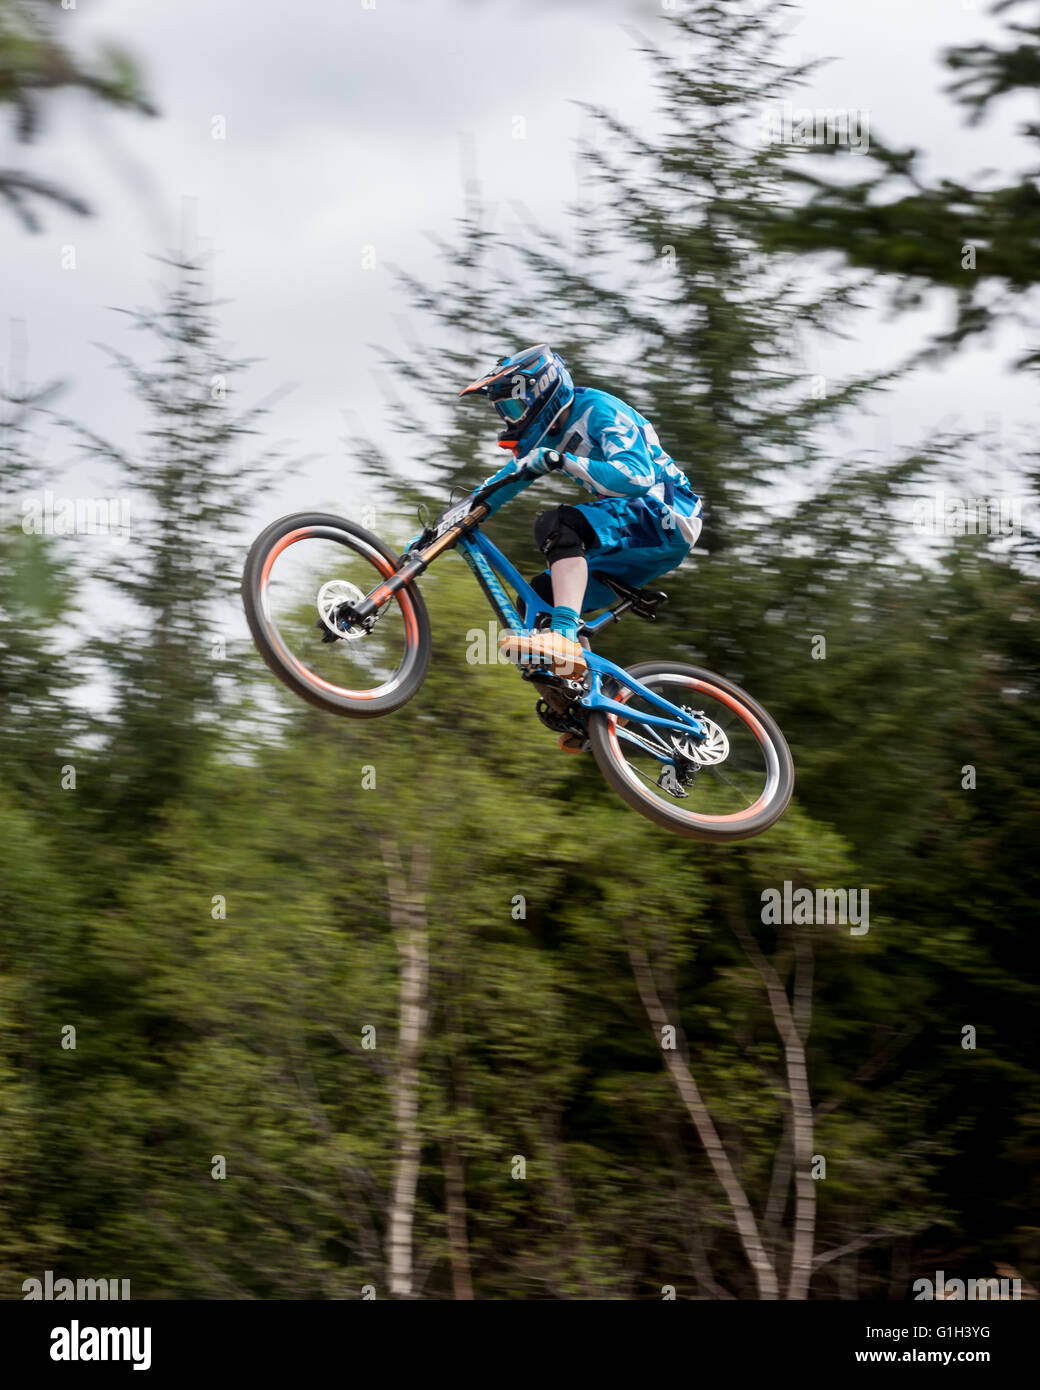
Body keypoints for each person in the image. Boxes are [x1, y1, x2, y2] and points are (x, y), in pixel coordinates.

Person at [460, 343, 702, 688]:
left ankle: (562, 638)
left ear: (541, 390)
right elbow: (507, 481)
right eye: (505, 412)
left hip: (666, 512)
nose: (511, 420)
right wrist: (455, 518)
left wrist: (563, 460)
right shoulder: (547, 436)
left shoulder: (599, 408)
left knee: (559, 525)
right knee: (539, 600)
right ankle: (590, 705)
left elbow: (636, 476)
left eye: (514, 407)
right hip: (634, 532)